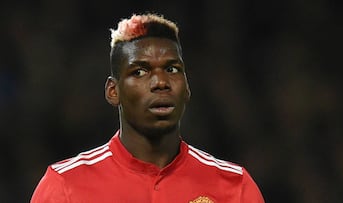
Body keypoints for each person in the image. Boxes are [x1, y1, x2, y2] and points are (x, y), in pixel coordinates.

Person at [31, 13, 265, 203]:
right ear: (114, 92)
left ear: (187, 88)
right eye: (140, 72)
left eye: (172, 69)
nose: (160, 82)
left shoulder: (235, 188)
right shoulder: (65, 187)